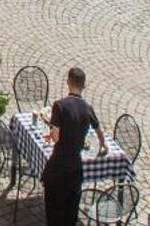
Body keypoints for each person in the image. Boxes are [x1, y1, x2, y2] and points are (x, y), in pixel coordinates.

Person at [42, 66, 101, 226]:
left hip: (58, 168)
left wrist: (51, 126)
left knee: (54, 211)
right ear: (84, 86)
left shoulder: (60, 106)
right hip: (76, 169)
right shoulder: (88, 108)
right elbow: (98, 130)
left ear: (68, 82)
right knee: (70, 214)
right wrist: (103, 147)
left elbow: (55, 137)